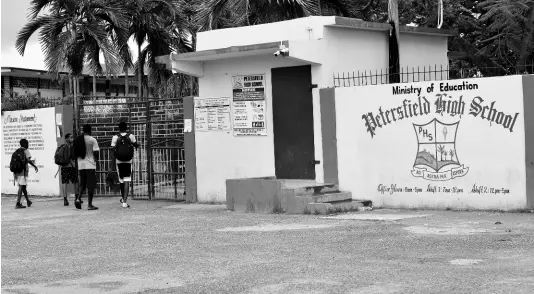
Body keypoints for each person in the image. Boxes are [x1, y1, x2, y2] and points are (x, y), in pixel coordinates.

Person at [110, 121, 138, 208]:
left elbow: (113, 149)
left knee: (121, 180)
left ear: (119, 128)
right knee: (127, 180)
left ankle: (122, 198)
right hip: (128, 161)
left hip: (118, 161)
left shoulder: (115, 137)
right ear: (126, 128)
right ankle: (125, 202)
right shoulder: (131, 136)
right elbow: (136, 145)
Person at [74, 124, 100, 210]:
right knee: (90, 185)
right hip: (90, 165)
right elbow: (96, 153)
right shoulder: (92, 140)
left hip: (81, 165)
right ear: (90, 130)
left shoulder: (78, 139)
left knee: (82, 184)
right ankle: (89, 205)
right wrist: (96, 159)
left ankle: (78, 199)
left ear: (83, 130)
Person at [13, 139, 38, 209]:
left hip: (17, 171)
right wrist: (34, 166)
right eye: (27, 143)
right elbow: (28, 160)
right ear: (25, 144)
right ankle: (18, 203)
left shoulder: (17, 151)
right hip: (23, 171)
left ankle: (28, 201)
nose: (28, 145)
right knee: (21, 186)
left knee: (23, 186)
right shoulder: (25, 151)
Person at [60, 133, 78, 206]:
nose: (72, 139)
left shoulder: (61, 146)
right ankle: (76, 198)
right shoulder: (71, 146)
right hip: (71, 167)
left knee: (64, 183)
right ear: (66, 139)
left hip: (64, 167)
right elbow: (73, 157)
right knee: (75, 182)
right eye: (71, 137)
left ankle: (65, 200)